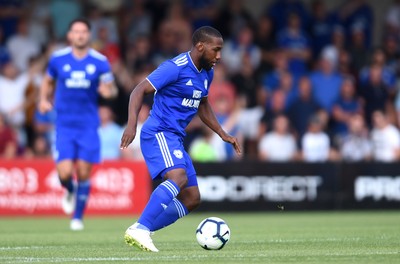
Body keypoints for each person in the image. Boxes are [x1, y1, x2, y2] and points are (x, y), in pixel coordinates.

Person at [120, 26, 241, 252]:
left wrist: (222, 133)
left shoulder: (207, 72)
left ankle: (140, 228)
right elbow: (138, 90)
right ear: (200, 47)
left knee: (192, 198)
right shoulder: (174, 68)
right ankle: (141, 229)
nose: (219, 56)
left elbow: (202, 104)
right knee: (178, 176)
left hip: (175, 137)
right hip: (159, 132)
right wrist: (131, 125)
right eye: (216, 50)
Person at [38, 18, 117, 231]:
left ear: (88, 35)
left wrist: (107, 91)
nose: (80, 35)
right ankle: (70, 190)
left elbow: (112, 89)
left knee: (83, 171)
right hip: (64, 124)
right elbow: (47, 81)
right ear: (70, 35)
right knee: (64, 173)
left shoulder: (100, 61)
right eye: (76, 31)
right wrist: (43, 100)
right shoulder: (57, 59)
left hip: (88, 125)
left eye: (83, 31)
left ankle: (77, 217)